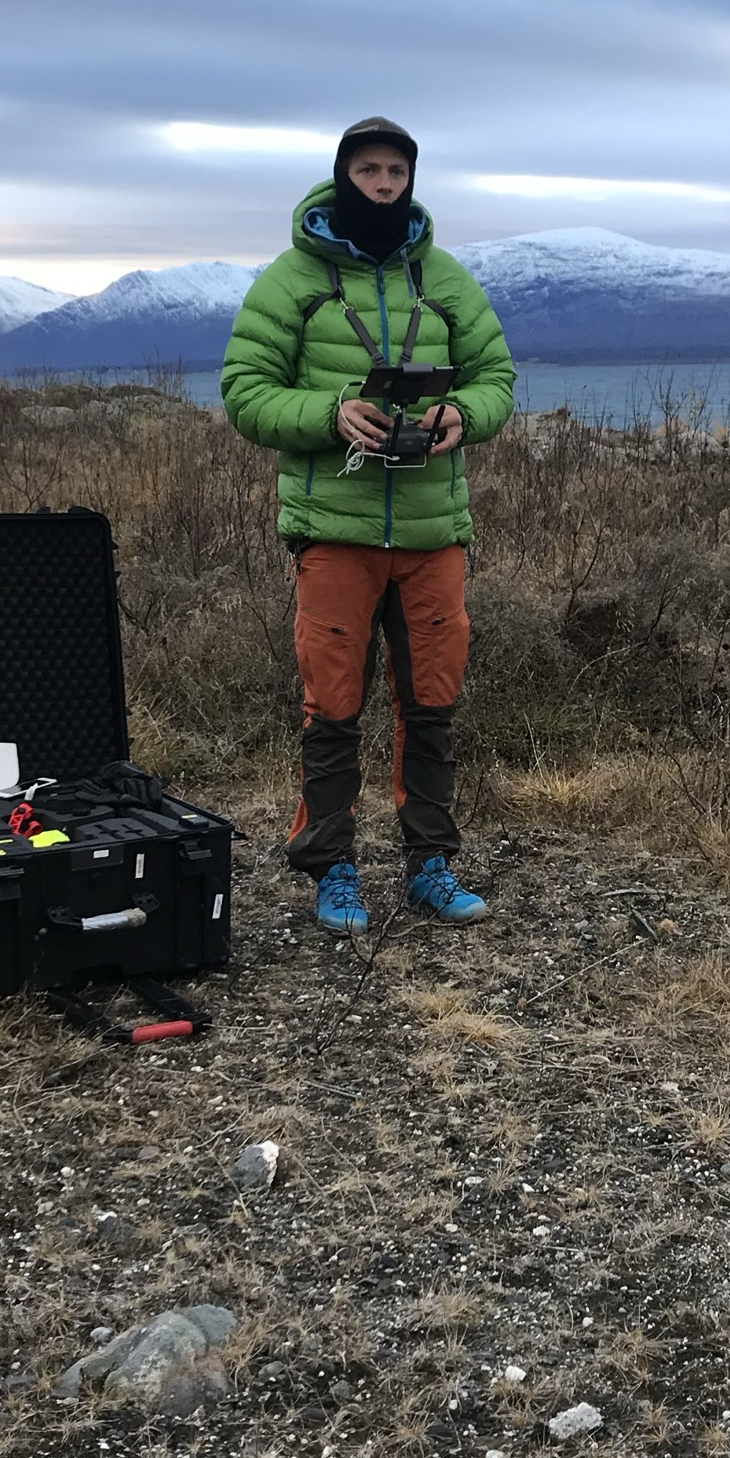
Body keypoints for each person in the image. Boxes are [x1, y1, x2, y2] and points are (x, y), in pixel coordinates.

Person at [219, 118, 518, 935]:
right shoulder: (292, 280)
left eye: (396, 172)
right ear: (342, 175)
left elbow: (497, 376)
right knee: (334, 707)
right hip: (334, 529)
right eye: (368, 170)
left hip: (431, 531)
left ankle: (430, 866)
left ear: (411, 180)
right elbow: (244, 390)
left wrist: (463, 414)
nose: (384, 185)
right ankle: (333, 869)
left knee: (432, 705)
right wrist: (331, 413)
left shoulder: (442, 278)